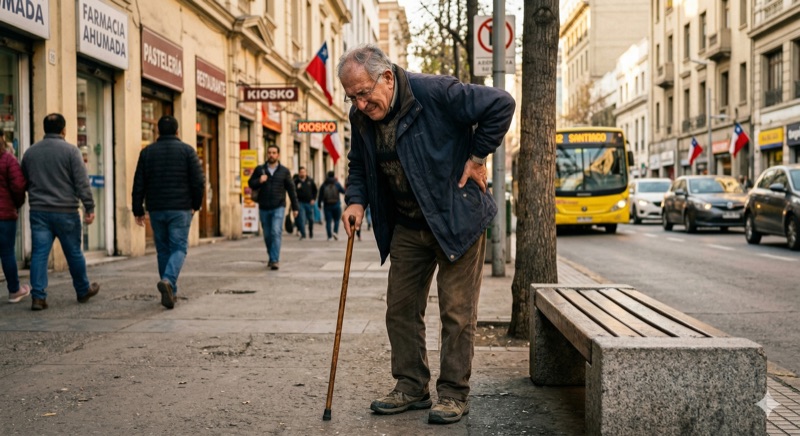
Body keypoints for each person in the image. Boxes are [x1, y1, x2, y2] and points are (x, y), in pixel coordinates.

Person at [337, 44, 515, 424]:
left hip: (456, 220)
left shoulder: (435, 92)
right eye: (352, 97)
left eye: (364, 94)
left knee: (456, 312)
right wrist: (356, 201)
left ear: (386, 77)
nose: (360, 105)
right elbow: (359, 163)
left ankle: (453, 393)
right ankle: (411, 384)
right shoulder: (361, 115)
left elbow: (501, 103)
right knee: (399, 309)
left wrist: (477, 157)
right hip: (408, 223)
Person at [21, 114, 101, 311]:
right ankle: (82, 290)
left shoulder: (31, 152)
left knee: (40, 254)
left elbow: (23, 180)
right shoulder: (71, 151)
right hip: (66, 212)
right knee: (73, 252)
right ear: (63, 130)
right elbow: (82, 182)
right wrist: (89, 207)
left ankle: (38, 296)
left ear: (44, 129)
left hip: (39, 211)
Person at [132, 115, 205, 310]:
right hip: (180, 208)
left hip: (156, 208)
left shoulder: (147, 152)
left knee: (163, 249)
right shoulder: (187, 151)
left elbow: (139, 182)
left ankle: (171, 289)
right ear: (177, 131)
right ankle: (169, 280)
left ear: (158, 132)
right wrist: (196, 205)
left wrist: (137, 209)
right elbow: (198, 182)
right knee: (179, 248)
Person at [248, 145, 299, 270]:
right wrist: (259, 180)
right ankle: (271, 256)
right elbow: (250, 183)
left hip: (279, 206)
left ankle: (274, 260)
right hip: (264, 207)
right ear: (267, 154)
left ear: (278, 155)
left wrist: (295, 207)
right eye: (269, 152)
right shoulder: (260, 169)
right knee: (267, 235)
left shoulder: (284, 171)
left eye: (274, 152)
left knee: (276, 232)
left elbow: (291, 190)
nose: (271, 154)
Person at [0, 133, 30, 303]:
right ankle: (14, 290)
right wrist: (17, 204)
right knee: (7, 253)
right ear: (3, 137)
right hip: (4, 215)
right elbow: (19, 186)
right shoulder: (8, 159)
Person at [318, 171, 345, 241]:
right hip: (336, 204)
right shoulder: (337, 183)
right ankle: (335, 232)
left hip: (327, 205)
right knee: (337, 220)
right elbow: (343, 191)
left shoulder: (324, 184)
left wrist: (319, 204)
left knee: (328, 221)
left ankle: (329, 236)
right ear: (334, 175)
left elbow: (320, 195)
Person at [293, 166, 317, 240]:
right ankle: (303, 234)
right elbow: (293, 192)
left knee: (310, 219)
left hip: (309, 202)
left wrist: (313, 199)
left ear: (306, 173)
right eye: (301, 172)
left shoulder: (310, 180)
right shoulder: (296, 181)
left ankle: (310, 232)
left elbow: (315, 190)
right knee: (302, 219)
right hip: (300, 202)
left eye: (303, 172)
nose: (302, 173)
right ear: (299, 173)